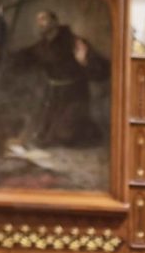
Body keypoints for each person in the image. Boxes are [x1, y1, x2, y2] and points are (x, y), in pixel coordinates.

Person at [10, 9, 110, 148]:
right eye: (38, 20)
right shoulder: (42, 45)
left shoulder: (74, 41)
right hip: (53, 95)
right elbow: (25, 56)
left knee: (67, 136)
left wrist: (84, 61)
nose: (40, 23)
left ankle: (89, 130)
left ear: (55, 22)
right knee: (43, 135)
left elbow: (103, 69)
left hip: (74, 95)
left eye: (44, 19)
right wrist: (4, 56)